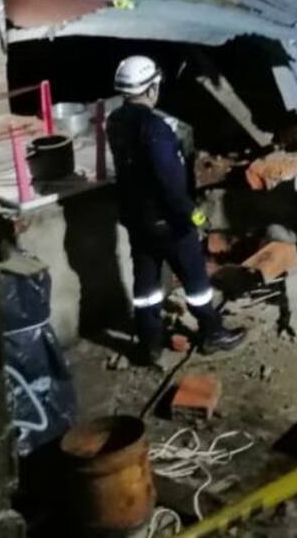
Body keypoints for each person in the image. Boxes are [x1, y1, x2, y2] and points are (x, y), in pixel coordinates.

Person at [106, 56, 244, 365]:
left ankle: (149, 343)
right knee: (195, 279)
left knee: (147, 284)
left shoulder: (114, 121)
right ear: (152, 87)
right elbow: (170, 184)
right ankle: (212, 332)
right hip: (168, 221)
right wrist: (195, 217)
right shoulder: (156, 129)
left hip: (136, 219)